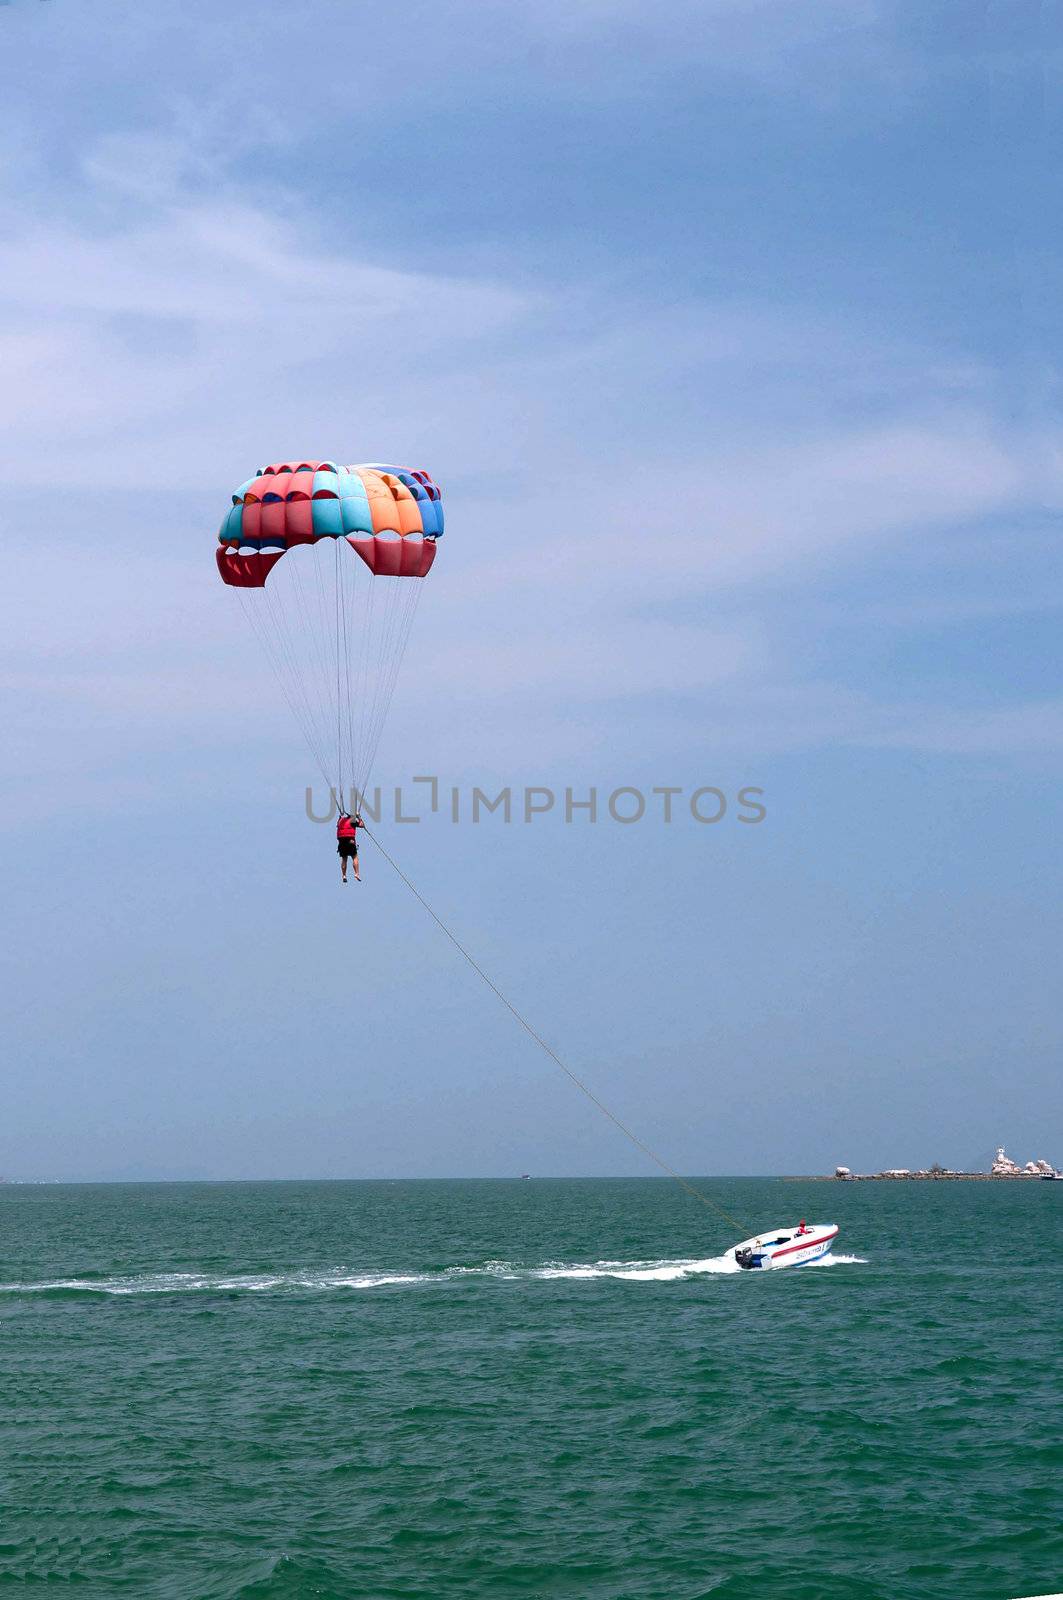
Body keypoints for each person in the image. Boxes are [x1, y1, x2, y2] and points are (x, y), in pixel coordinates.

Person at [336, 810, 364, 884]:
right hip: (350, 841)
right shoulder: (352, 820)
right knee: (354, 857)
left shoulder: (340, 820)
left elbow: (337, 825)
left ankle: (344, 875)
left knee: (344, 859)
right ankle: (356, 873)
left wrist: (340, 817)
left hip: (341, 842)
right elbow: (362, 825)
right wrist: (359, 817)